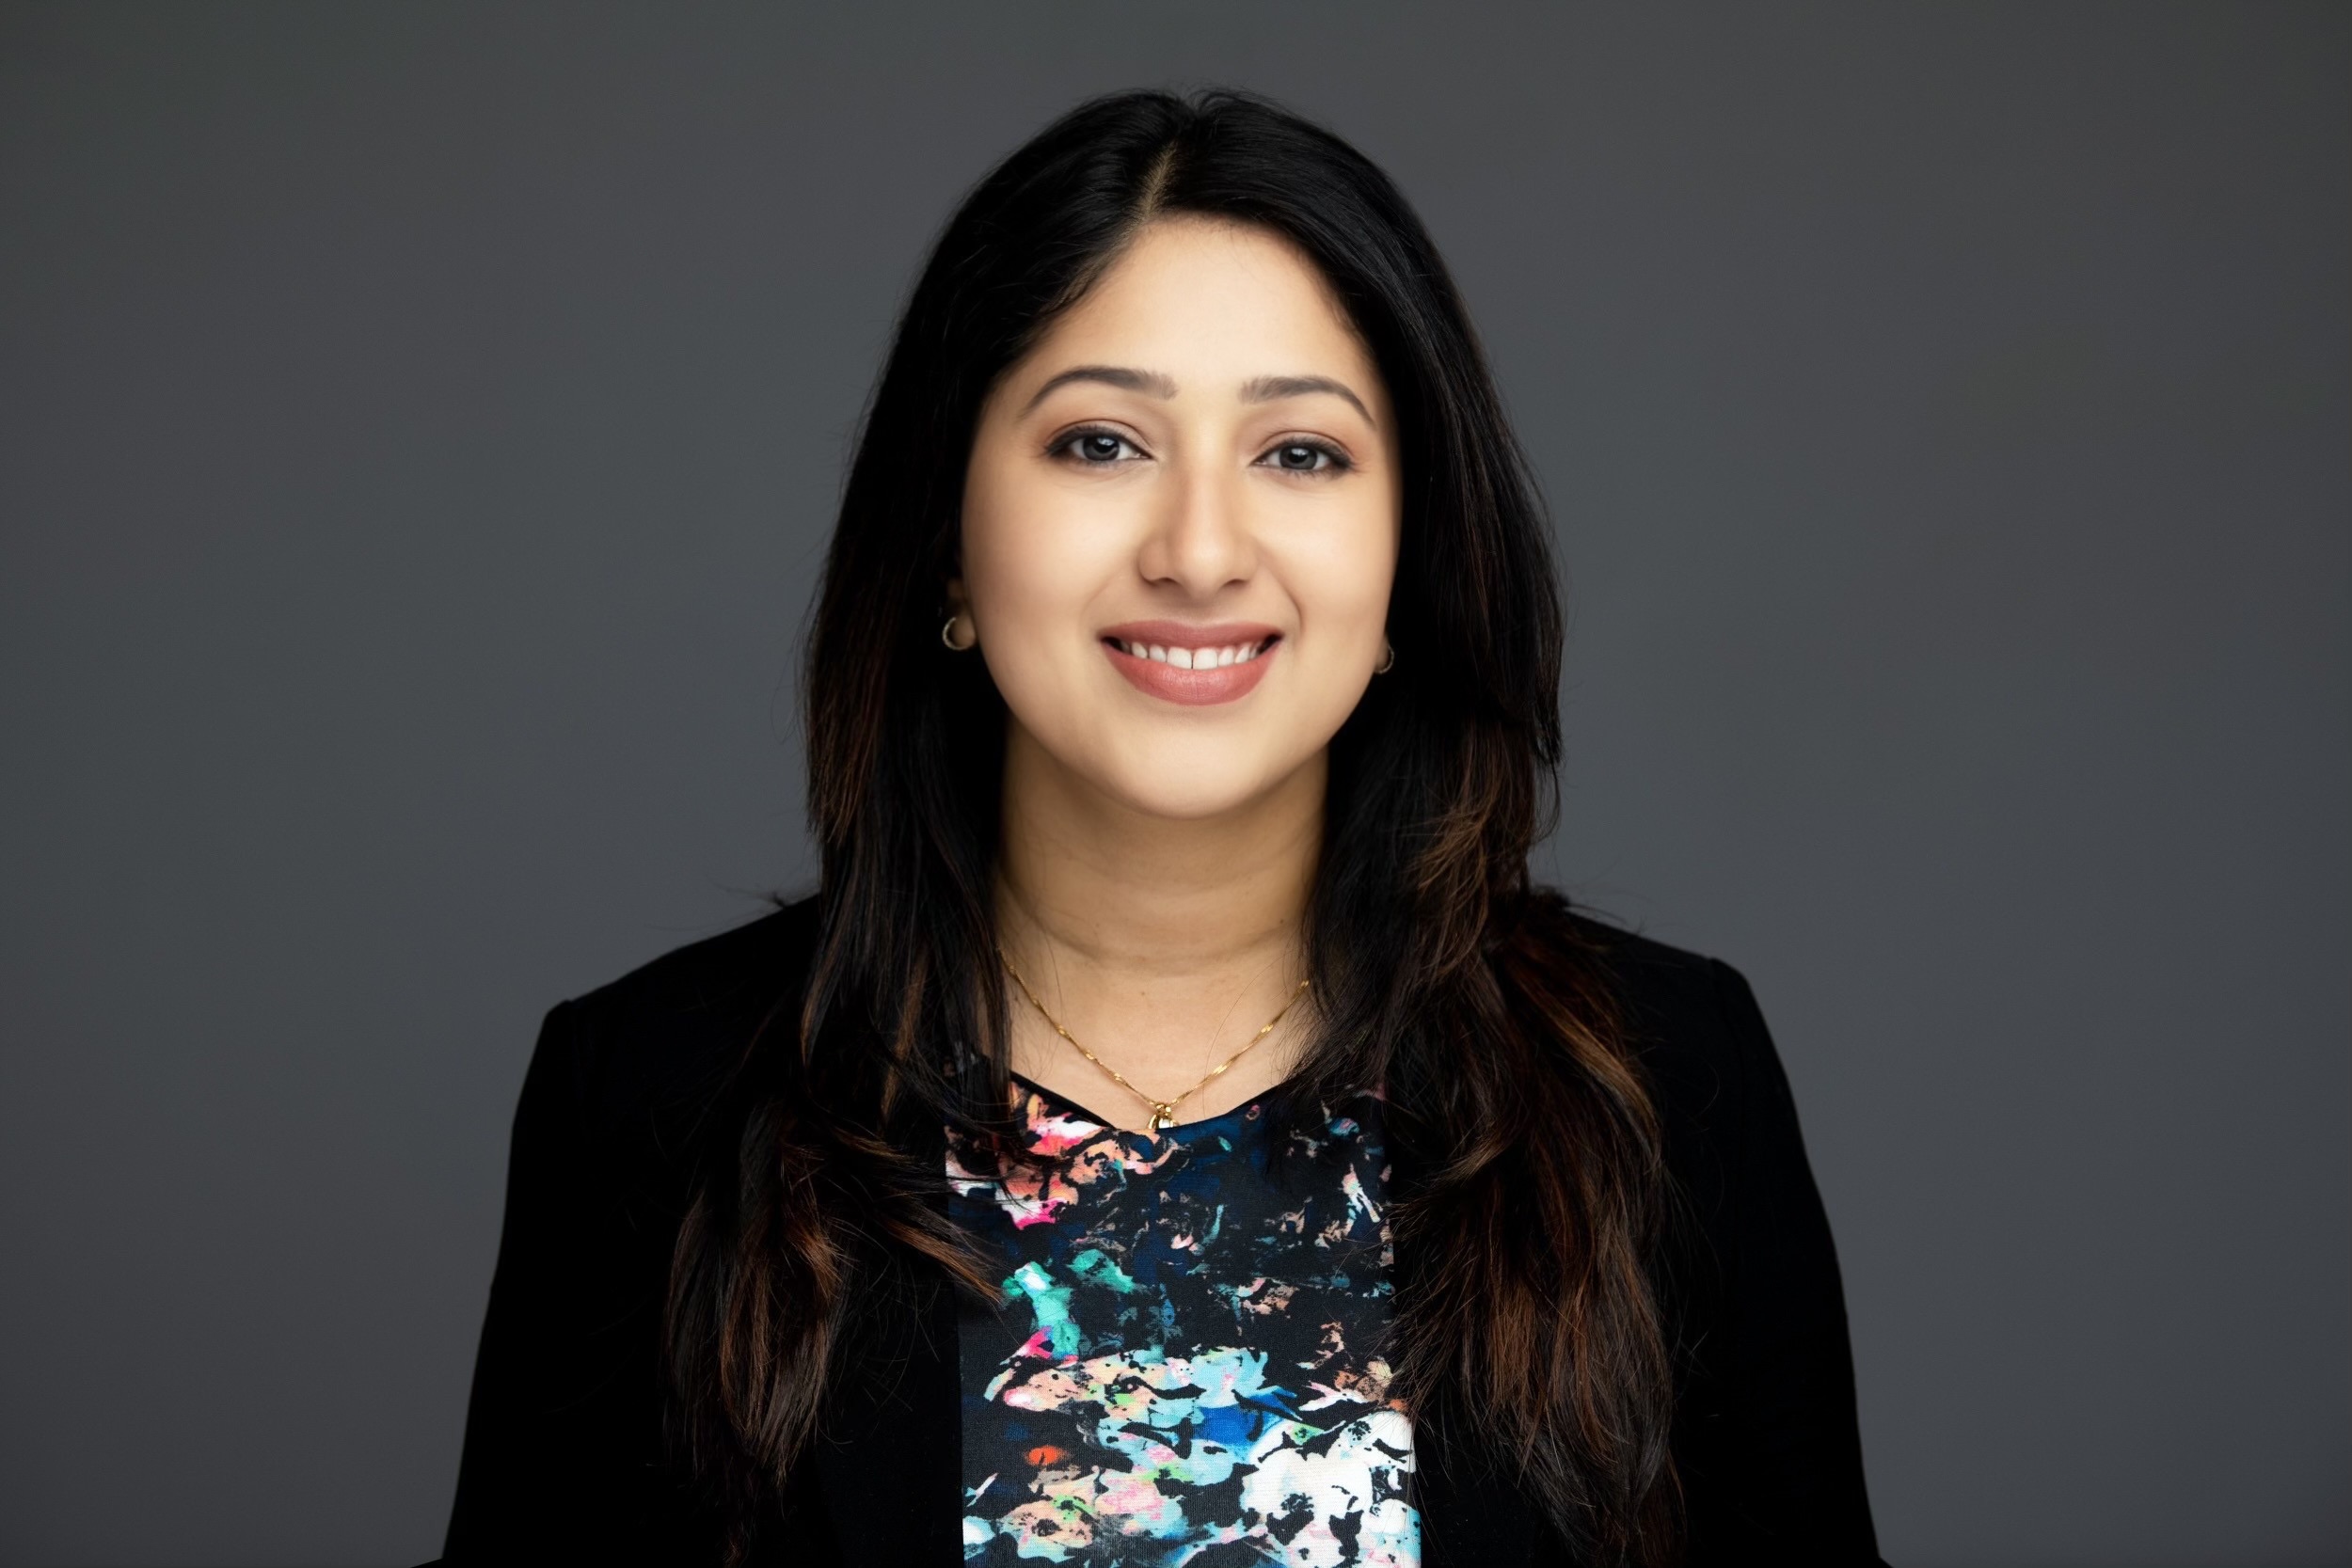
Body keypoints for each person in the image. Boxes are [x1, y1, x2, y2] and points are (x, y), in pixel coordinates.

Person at [439, 88, 1883, 1567]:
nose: (1199, 550)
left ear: (1412, 555)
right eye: (1100, 443)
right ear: (947, 535)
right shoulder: (659, 1104)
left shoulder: (1660, 1089)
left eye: (1301, 454)